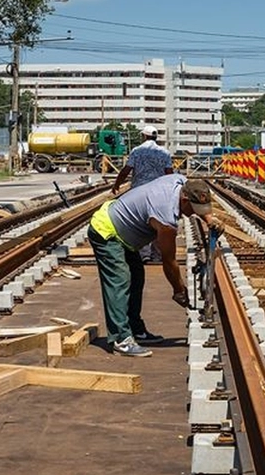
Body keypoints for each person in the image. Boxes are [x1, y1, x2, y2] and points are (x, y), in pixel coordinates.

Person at [87, 175, 211, 357]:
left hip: (123, 232)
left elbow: (197, 196)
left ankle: (135, 329)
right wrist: (178, 290)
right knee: (120, 281)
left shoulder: (180, 181)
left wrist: (210, 220)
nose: (194, 213)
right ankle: (121, 339)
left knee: (137, 276)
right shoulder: (166, 217)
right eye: (193, 209)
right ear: (184, 199)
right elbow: (169, 261)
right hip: (107, 231)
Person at [111, 125, 173, 268]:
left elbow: (126, 170)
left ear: (144, 136)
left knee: (141, 223)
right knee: (158, 222)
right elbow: (169, 172)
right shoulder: (164, 152)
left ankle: (143, 255)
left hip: (139, 192)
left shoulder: (137, 151)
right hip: (159, 192)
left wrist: (117, 184)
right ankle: (157, 255)